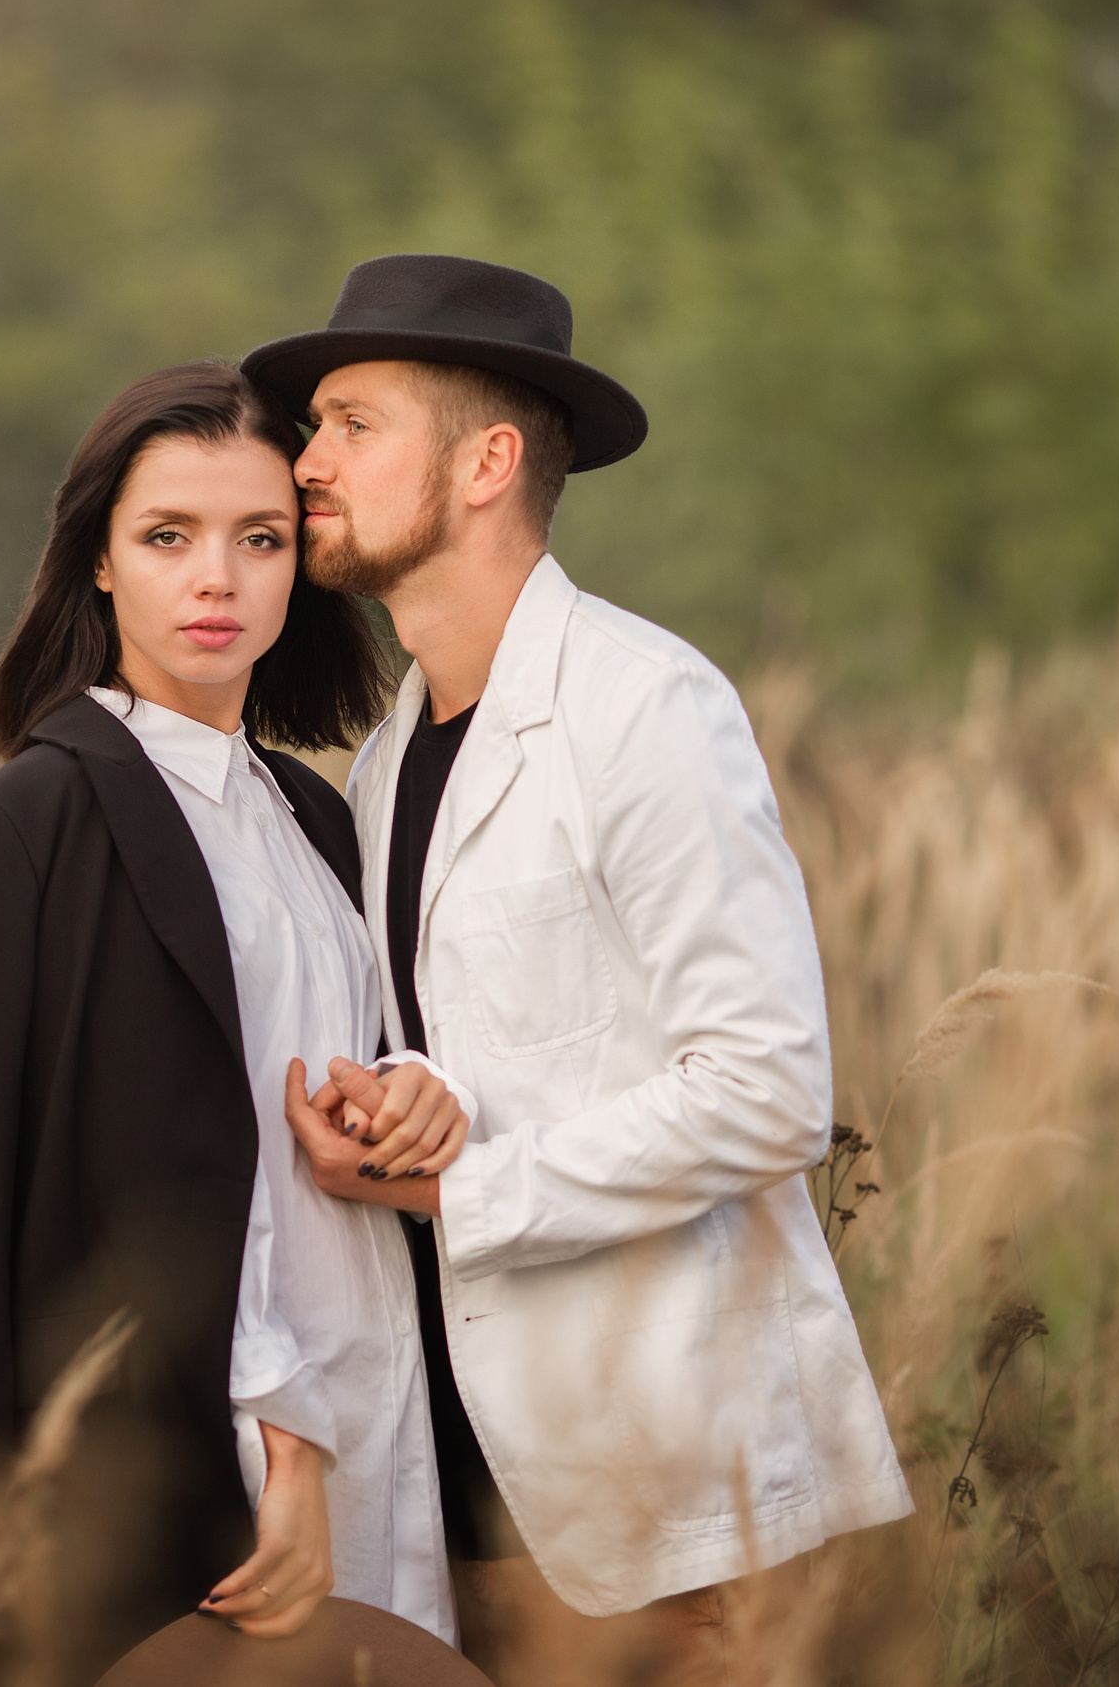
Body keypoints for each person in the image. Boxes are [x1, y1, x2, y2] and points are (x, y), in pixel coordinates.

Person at [243, 256, 914, 1685]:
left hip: (670, 1503)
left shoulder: (646, 707)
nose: (305, 463)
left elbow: (769, 1090)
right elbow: (487, 1043)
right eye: (313, 428)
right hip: (468, 1492)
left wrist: (462, 1186)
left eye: (352, 424)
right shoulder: (381, 763)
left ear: (486, 463)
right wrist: (401, 1101)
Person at [0, 361, 476, 1686]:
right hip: (199, 1456)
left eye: (261, 538)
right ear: (99, 563)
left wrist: (413, 1092)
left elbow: (308, 1083)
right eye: (168, 537)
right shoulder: (24, 830)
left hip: (380, 1405)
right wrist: (271, 1436)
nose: (216, 577)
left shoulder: (316, 816)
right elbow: (67, 1198)